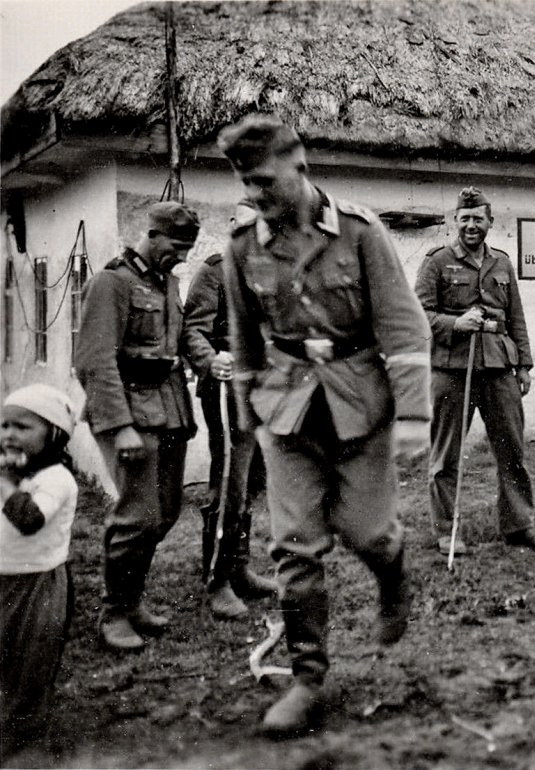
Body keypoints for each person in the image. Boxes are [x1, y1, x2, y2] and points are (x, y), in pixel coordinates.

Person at [218, 114, 431, 738]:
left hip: (360, 405)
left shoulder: (362, 234)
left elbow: (404, 327)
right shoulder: (240, 248)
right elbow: (243, 341)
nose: (257, 196)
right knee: (295, 547)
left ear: (300, 167)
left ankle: (393, 577)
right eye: (246, 186)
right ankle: (307, 677)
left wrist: (415, 416)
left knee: (369, 534)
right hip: (286, 412)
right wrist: (247, 417)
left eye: (265, 182)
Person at [75, 201, 199, 652]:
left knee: (164, 513)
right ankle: (114, 614)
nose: (183, 255)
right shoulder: (111, 282)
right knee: (137, 515)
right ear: (152, 234)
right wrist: (120, 426)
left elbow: (180, 342)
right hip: (127, 408)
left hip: (168, 406)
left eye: (189, 247)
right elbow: (94, 360)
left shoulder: (168, 284)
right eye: (177, 246)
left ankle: (132, 600)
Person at [414, 187, 535, 556]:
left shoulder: (503, 263)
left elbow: (516, 319)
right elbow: (418, 316)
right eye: (465, 219)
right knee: (446, 454)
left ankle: (519, 525)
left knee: (512, 449)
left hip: (498, 367)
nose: (472, 225)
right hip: (452, 368)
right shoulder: (436, 261)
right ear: (454, 222)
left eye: (479, 219)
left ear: (490, 222)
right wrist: (455, 323)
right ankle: (447, 531)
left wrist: (523, 364)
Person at [182, 240, 279, 620]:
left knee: (254, 480)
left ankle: (239, 568)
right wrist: (210, 358)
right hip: (229, 388)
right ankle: (217, 580)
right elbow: (194, 331)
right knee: (229, 484)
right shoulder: (215, 271)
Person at [0, 385, 78, 758]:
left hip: (38, 585)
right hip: (2, 576)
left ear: (54, 433)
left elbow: (29, 520)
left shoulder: (56, 479)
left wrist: (3, 484)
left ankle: (26, 738)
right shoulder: (8, 473)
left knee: (30, 662)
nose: (9, 435)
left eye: (22, 427)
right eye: (4, 426)